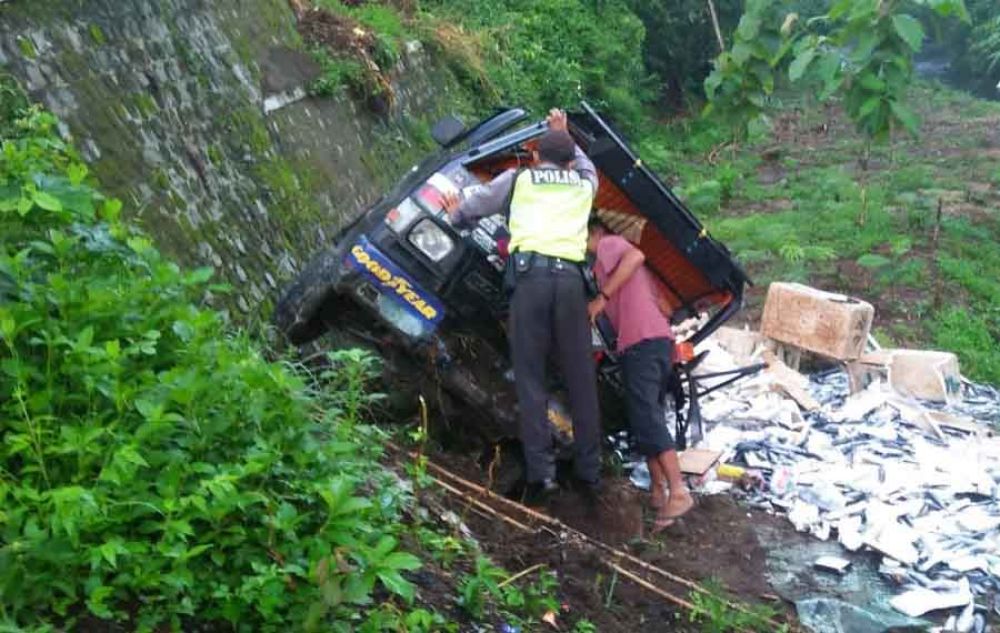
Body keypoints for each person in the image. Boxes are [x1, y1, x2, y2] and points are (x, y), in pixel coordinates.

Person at [442, 109, 601, 503]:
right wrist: (565, 132)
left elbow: (471, 209)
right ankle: (589, 474)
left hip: (531, 283)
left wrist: (454, 212)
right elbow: (586, 165)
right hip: (571, 286)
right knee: (581, 380)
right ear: (569, 162)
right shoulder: (584, 185)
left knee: (531, 378)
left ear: (535, 156)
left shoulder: (518, 180)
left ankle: (542, 476)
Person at [586, 217, 694, 531]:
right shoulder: (608, 270)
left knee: (646, 415)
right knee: (645, 415)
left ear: (595, 232)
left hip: (642, 343)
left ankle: (678, 491)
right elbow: (664, 306)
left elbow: (636, 255)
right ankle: (658, 493)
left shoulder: (609, 245)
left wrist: (603, 298)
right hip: (655, 342)